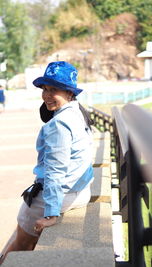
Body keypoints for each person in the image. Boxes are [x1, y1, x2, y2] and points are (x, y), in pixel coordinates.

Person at [0, 61, 94, 264]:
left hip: (57, 198)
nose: (47, 95)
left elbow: (55, 171)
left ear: (69, 92)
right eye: (45, 89)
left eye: (54, 90)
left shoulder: (58, 124)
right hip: (79, 191)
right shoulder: (78, 112)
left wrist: (51, 213)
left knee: (19, 247)